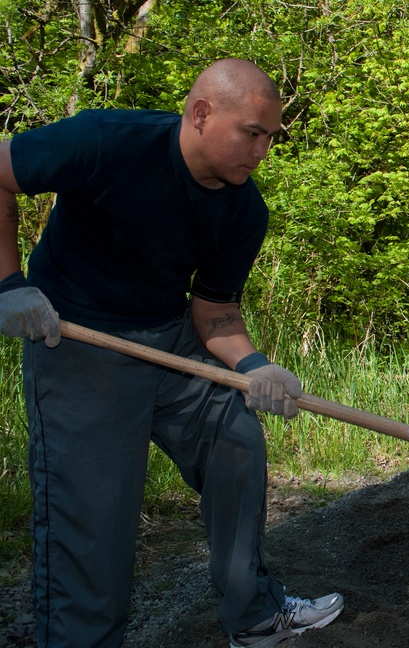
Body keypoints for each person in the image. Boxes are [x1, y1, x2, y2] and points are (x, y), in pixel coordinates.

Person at [0, 59, 343, 647]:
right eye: (252, 134)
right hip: (78, 343)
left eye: (270, 138)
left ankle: (255, 616)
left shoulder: (243, 209)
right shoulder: (109, 141)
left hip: (170, 341)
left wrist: (255, 366)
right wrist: (8, 285)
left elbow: (213, 312)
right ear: (201, 113)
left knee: (237, 439)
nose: (261, 152)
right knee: (94, 523)